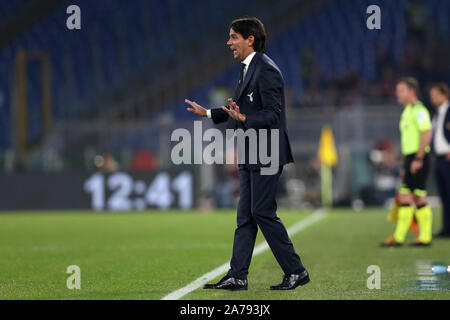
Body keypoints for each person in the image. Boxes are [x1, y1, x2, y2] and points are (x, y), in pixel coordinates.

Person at [185, 17, 309, 290]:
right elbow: (240, 112)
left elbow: (273, 115)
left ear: (249, 39)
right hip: (252, 151)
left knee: (262, 211)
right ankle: (237, 276)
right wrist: (208, 113)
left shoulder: (266, 69)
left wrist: (243, 117)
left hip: (266, 152)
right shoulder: (247, 69)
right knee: (246, 216)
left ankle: (296, 270)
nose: (228, 42)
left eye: (233, 37)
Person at [381, 77, 433, 247]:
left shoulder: (419, 110)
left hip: (419, 157)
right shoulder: (407, 111)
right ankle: (405, 237)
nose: (397, 93)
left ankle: (418, 237)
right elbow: (408, 141)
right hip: (410, 158)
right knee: (410, 197)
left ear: (411, 91)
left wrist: (418, 158)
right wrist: (406, 164)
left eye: (400, 90)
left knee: (415, 197)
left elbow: (426, 133)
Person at [429, 83, 450, 238]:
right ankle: (446, 228)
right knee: (443, 195)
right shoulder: (436, 114)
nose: (432, 98)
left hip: (448, 157)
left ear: (444, 95)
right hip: (438, 158)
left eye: (435, 95)